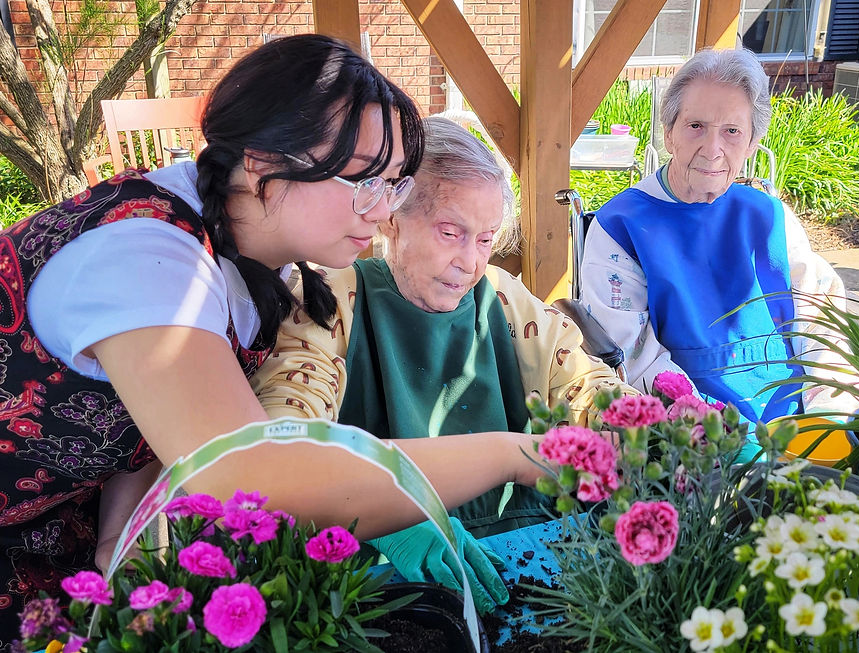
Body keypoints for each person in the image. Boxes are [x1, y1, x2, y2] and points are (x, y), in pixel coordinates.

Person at [0, 35, 545, 644]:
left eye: (393, 185)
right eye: (364, 179)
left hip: (65, 555)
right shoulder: (148, 258)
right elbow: (250, 476)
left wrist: (115, 532)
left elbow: (151, 408)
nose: (382, 210)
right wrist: (513, 455)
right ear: (262, 160)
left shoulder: (257, 251)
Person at [251, 116, 635, 613]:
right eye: (451, 232)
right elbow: (283, 443)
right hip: (381, 581)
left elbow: (585, 386)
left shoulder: (501, 299)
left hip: (516, 555)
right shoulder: (331, 302)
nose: (470, 262)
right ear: (391, 217)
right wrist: (387, 517)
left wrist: (648, 427)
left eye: (485, 238)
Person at [580, 48, 859, 436]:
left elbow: (822, 323)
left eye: (732, 131)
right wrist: (718, 436)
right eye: (696, 125)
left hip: (797, 422)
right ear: (669, 133)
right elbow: (636, 358)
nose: (713, 150)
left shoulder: (771, 217)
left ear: (751, 143)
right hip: (695, 436)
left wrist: (828, 411)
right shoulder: (620, 228)